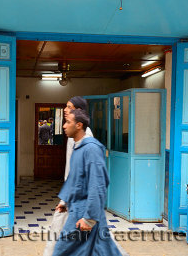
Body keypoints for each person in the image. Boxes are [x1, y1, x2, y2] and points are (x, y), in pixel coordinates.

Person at [53, 109, 121, 256]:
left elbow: (98, 185)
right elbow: (74, 179)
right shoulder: (78, 148)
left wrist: (89, 218)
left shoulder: (91, 149)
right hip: (78, 211)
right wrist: (65, 201)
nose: (64, 126)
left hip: (84, 214)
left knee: (62, 251)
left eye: (68, 122)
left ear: (79, 125)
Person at [43, 96, 93, 256]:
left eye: (70, 107)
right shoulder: (75, 133)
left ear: (79, 112)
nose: (65, 109)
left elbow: (83, 172)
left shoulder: (84, 137)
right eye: (66, 106)